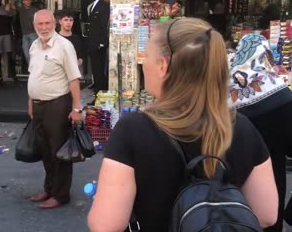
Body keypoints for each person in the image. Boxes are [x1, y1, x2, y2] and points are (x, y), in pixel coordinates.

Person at [88, 18, 278, 231]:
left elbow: (105, 225)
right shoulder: (240, 127)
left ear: (163, 65)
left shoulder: (132, 130)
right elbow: (267, 215)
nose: (143, 63)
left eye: (146, 56)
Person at [228, 34, 292, 232]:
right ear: (266, 55)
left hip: (230, 180)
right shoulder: (282, 96)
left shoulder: (224, 93)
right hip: (271, 182)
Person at [28, 10, 82, 209]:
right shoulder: (34, 46)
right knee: (45, 151)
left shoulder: (64, 46)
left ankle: (61, 194)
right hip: (39, 106)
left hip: (58, 105)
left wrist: (77, 108)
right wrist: (31, 103)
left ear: (54, 23)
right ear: (34, 25)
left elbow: (74, 79)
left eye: (47, 23)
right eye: (40, 24)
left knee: (60, 152)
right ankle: (49, 188)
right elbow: (33, 76)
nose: (44, 27)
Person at [85, 0, 110, 104]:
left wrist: (102, 42)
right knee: (96, 70)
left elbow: (104, 25)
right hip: (93, 43)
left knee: (99, 70)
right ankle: (98, 92)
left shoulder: (103, 6)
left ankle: (99, 94)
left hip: (98, 45)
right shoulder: (93, 6)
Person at [17, 0, 39, 65]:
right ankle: (31, 69)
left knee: (34, 53)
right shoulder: (20, 10)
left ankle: (34, 70)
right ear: (23, 1)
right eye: (26, 0)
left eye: (29, 0)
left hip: (33, 34)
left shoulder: (35, 10)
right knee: (26, 54)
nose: (28, 2)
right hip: (24, 35)